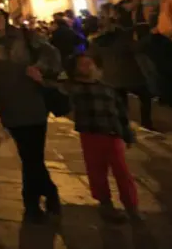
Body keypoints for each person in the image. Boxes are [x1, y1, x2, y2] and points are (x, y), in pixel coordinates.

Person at [0, 5, 63, 222]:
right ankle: (47, 194)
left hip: (34, 104)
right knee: (29, 156)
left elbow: (51, 53)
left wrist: (39, 68)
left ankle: (33, 203)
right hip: (9, 107)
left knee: (33, 157)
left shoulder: (26, 36)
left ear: (5, 17)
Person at [63, 54, 139, 222]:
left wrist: (127, 134)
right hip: (91, 134)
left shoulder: (108, 89)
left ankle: (131, 205)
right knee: (96, 170)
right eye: (82, 64)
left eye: (90, 63)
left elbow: (121, 113)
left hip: (113, 134)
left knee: (122, 171)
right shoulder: (75, 89)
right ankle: (105, 203)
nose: (87, 67)